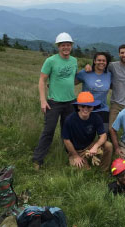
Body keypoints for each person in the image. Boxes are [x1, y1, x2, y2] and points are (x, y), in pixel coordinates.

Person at [33, 32, 77, 170]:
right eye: (63, 45)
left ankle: (69, 155)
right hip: (54, 102)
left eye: (68, 45)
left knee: (68, 130)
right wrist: (42, 100)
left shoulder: (74, 61)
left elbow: (71, 79)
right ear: (58, 46)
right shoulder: (51, 61)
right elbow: (42, 80)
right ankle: (37, 160)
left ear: (71, 46)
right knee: (49, 131)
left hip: (70, 101)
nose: (66, 47)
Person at [61, 92, 113, 171]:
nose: (86, 109)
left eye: (89, 106)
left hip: (90, 146)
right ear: (78, 106)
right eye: (83, 106)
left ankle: (103, 171)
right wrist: (75, 156)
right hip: (76, 150)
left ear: (92, 107)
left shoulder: (96, 118)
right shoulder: (69, 120)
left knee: (108, 145)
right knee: (86, 171)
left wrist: (95, 147)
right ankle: (79, 160)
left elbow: (103, 136)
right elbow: (66, 140)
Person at [75, 52, 112, 132]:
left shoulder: (109, 75)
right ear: (94, 61)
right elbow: (72, 82)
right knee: (85, 134)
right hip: (86, 109)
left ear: (106, 62)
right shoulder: (85, 73)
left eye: (103, 61)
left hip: (102, 109)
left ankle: (99, 144)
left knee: (104, 134)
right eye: (99, 60)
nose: (101, 62)